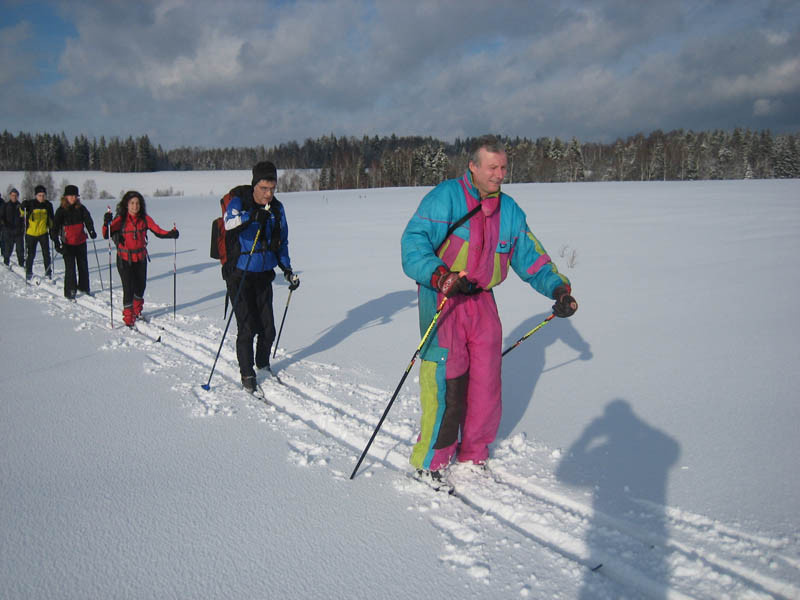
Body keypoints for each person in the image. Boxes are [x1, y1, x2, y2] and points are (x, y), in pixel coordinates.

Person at [400, 135, 578, 481]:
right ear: (473, 167)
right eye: (493, 167)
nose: (499, 174)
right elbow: (413, 243)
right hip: (444, 297)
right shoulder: (445, 198)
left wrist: (557, 289)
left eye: (504, 167)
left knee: (485, 382)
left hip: (482, 301)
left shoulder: (508, 211)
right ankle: (431, 461)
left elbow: (532, 258)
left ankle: (473, 453)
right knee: (447, 379)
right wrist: (440, 275)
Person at [223, 161, 299, 393]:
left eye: (272, 188)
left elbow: (282, 241)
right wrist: (253, 216)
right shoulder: (239, 201)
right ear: (255, 184)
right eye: (264, 188)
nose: (268, 193)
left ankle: (262, 364)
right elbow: (229, 223)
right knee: (247, 327)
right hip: (239, 274)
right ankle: (247, 373)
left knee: (268, 329)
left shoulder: (277, 209)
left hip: (264, 274)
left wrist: (286, 269)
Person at [102, 191, 178, 327]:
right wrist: (106, 222)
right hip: (124, 259)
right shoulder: (121, 219)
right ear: (126, 205)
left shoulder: (145, 219)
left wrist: (171, 234)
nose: (135, 206)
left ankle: (137, 311)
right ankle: (128, 318)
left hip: (141, 258)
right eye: (132, 203)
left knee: (140, 287)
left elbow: (158, 231)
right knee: (128, 287)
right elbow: (106, 233)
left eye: (137, 203)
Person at [53, 184, 97, 299]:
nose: (73, 198)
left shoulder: (81, 208)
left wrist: (91, 230)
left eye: (75, 196)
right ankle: (70, 291)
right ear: (65, 197)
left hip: (81, 241)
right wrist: (57, 244)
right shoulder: (61, 211)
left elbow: (88, 219)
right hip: (67, 244)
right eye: (70, 196)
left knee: (83, 266)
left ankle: (84, 287)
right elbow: (54, 228)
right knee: (70, 269)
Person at [21, 185, 55, 280]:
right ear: (36, 195)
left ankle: (48, 273)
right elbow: (22, 212)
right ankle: (28, 271)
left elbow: (52, 219)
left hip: (43, 233)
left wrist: (52, 231)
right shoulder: (30, 204)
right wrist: (22, 206)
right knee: (31, 254)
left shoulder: (48, 205)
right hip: (31, 233)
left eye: (43, 195)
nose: (41, 197)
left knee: (46, 254)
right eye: (39, 195)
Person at [2, 188, 25, 267]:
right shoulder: (5, 205)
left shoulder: (21, 206)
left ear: (18, 196)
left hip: (18, 232)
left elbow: (24, 218)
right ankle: (6, 263)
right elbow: (2, 217)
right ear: (10, 196)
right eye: (12, 195)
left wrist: (22, 228)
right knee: (8, 250)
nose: (14, 197)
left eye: (15, 195)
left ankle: (21, 264)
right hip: (8, 232)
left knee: (20, 250)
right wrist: (5, 226)